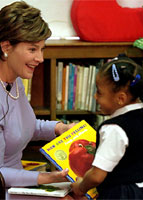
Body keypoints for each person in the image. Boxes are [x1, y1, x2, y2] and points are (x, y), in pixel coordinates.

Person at [0, 1, 74, 188]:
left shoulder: (15, 82)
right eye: (32, 49)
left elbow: (19, 127)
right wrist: (48, 178)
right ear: (6, 47)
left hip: (19, 183)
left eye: (42, 49)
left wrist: (58, 129)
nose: (40, 58)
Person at [71, 55, 143, 199]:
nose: (96, 97)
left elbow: (97, 176)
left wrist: (80, 187)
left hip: (120, 195)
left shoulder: (113, 128)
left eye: (100, 92)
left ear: (120, 98)